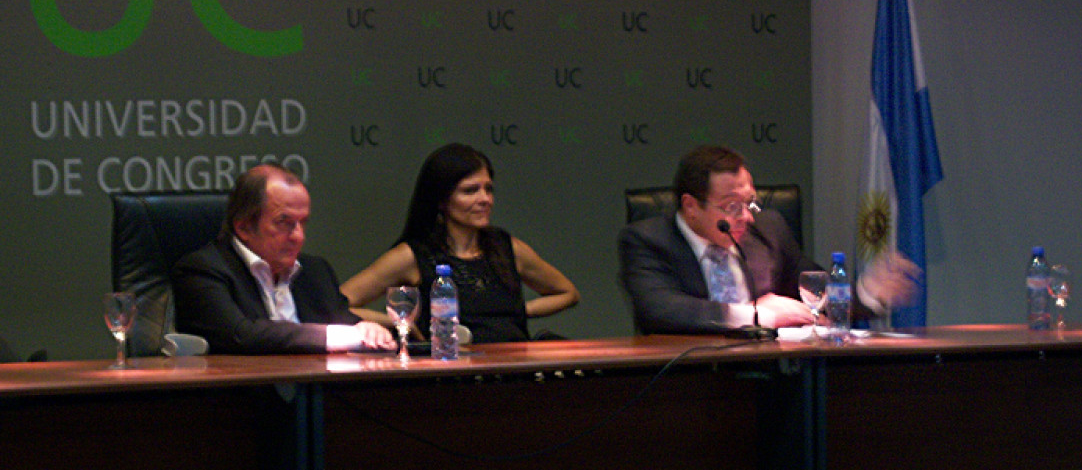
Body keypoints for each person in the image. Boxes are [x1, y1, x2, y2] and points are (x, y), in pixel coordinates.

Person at [618, 145, 918, 335]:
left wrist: (866, 293)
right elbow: (659, 310)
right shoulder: (646, 240)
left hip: (772, 376)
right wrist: (758, 314)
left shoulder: (768, 229)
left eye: (750, 202)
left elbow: (813, 291)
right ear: (691, 207)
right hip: (689, 379)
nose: (747, 217)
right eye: (732, 206)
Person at [341, 143, 580, 343]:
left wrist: (520, 311)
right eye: (470, 191)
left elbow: (568, 293)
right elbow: (341, 303)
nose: (485, 199)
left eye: (489, 189)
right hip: (453, 373)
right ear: (442, 200)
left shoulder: (507, 247)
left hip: (515, 369)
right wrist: (401, 322)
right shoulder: (414, 255)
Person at [172, 164, 395, 354]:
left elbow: (345, 322)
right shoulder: (202, 270)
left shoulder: (315, 271)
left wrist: (367, 329)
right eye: (284, 222)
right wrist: (342, 336)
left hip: (316, 388)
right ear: (244, 227)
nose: (299, 236)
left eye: (303, 222)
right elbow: (240, 335)